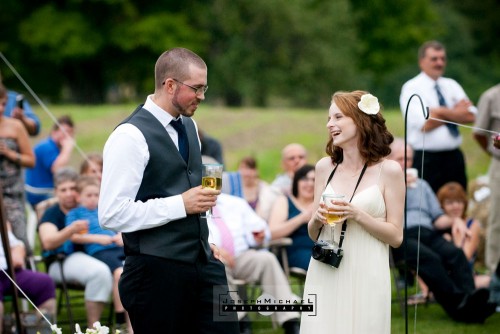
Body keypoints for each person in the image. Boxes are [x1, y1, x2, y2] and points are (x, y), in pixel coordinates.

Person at [98, 47, 239, 334]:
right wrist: (180, 205)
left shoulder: (190, 125)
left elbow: (195, 194)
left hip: (204, 264)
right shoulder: (129, 136)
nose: (202, 96)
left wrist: (206, 239)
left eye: (204, 88)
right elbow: (111, 214)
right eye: (196, 89)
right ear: (170, 85)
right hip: (154, 273)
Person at [300, 91, 404, 333]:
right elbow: (314, 234)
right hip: (325, 269)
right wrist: (317, 218)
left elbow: (396, 237)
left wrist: (358, 214)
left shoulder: (389, 171)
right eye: (328, 119)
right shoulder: (325, 167)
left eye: (338, 117)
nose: (330, 124)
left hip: (367, 271)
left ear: (359, 120)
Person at [389, 137, 496, 323]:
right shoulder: (385, 184)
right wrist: (399, 186)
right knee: (431, 259)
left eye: (409, 159)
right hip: (401, 236)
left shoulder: (422, 185)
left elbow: (438, 218)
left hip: (428, 232)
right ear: (388, 160)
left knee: (455, 254)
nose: (405, 164)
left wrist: (456, 220)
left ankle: (472, 301)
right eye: (400, 159)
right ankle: (459, 307)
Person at [208, 193, 300, 334]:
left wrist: (259, 236)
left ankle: (290, 322)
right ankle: (242, 322)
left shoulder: (235, 202)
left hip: (241, 256)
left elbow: (259, 228)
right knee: (217, 264)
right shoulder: (193, 205)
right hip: (213, 257)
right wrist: (213, 248)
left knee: (267, 259)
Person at [38, 167, 113, 329]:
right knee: (99, 272)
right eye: (63, 190)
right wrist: (71, 229)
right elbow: (48, 242)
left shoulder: (89, 208)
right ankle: (94, 328)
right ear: (56, 192)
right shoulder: (53, 213)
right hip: (61, 261)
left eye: (72, 188)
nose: (69, 193)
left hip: (97, 255)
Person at [400, 40, 476, 193]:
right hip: (426, 159)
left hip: (454, 157)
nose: (439, 62)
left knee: (458, 203)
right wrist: (454, 111)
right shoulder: (411, 87)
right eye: (434, 59)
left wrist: (440, 112)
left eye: (442, 58)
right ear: (422, 62)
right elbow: (424, 125)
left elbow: (471, 116)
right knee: (428, 207)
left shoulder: (451, 85)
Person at [65, 175, 131, 333]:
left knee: (132, 271)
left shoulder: (104, 210)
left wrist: (121, 236)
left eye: (96, 195)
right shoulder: (75, 214)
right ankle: (120, 317)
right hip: (99, 250)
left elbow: (120, 226)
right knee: (119, 273)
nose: (93, 199)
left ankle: (131, 325)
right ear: (79, 197)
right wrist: (98, 239)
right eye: (88, 195)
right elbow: (74, 236)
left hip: (116, 246)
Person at [0, 83, 36, 251]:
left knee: (19, 240)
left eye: (3, 103)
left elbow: (31, 160)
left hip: (12, 192)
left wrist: (10, 154)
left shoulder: (15, 126)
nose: (0, 108)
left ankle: (25, 273)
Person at [0, 228, 56, 332]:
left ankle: (42, 330)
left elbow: (17, 244)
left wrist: (18, 252)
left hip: (11, 271)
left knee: (44, 283)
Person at [436, 182, 490, 288]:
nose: (455, 206)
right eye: (450, 203)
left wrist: (457, 240)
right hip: (443, 279)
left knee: (490, 281)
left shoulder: (472, 225)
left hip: (466, 277)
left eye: (459, 201)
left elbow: (464, 258)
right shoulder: (437, 227)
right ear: (442, 206)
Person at [473, 83, 500, 273]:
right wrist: (494, 152)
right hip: (499, 164)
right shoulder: (490, 96)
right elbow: (479, 134)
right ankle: (495, 276)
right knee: (497, 221)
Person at [268, 164, 315, 271]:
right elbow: (272, 233)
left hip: (319, 250)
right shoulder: (284, 201)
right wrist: (301, 218)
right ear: (296, 182)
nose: (310, 183)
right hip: (294, 251)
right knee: (319, 265)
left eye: (314, 180)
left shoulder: (321, 203)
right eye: (305, 179)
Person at [25, 115, 75, 208]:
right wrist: (67, 149)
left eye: (70, 133)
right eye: (64, 132)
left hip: (45, 189)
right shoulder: (47, 146)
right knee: (69, 198)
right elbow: (57, 169)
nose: (68, 136)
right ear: (54, 132)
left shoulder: (55, 147)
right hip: (39, 191)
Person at [222, 156, 283, 221]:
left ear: (256, 171)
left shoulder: (264, 189)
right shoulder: (231, 187)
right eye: (242, 168)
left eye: (249, 168)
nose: (246, 172)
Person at [0, 70, 41, 136]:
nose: (1, 108)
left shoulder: (15, 98)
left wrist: (22, 119)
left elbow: (35, 128)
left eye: (4, 104)